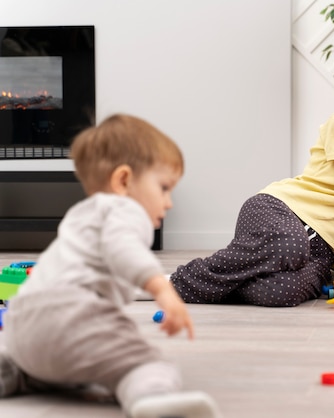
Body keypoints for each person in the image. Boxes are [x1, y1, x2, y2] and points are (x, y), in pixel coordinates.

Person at [171, 34, 334, 307]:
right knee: (290, 246)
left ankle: (221, 284)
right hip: (282, 211)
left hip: (324, 250)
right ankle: (178, 282)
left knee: (283, 293)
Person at [0, 114, 221, 418]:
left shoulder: (81, 213)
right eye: (164, 188)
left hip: (21, 325)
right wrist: (163, 289)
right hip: (73, 319)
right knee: (146, 362)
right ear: (124, 181)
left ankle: (10, 372)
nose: (168, 202)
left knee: (35, 365)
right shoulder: (126, 209)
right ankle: (152, 397)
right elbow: (124, 248)